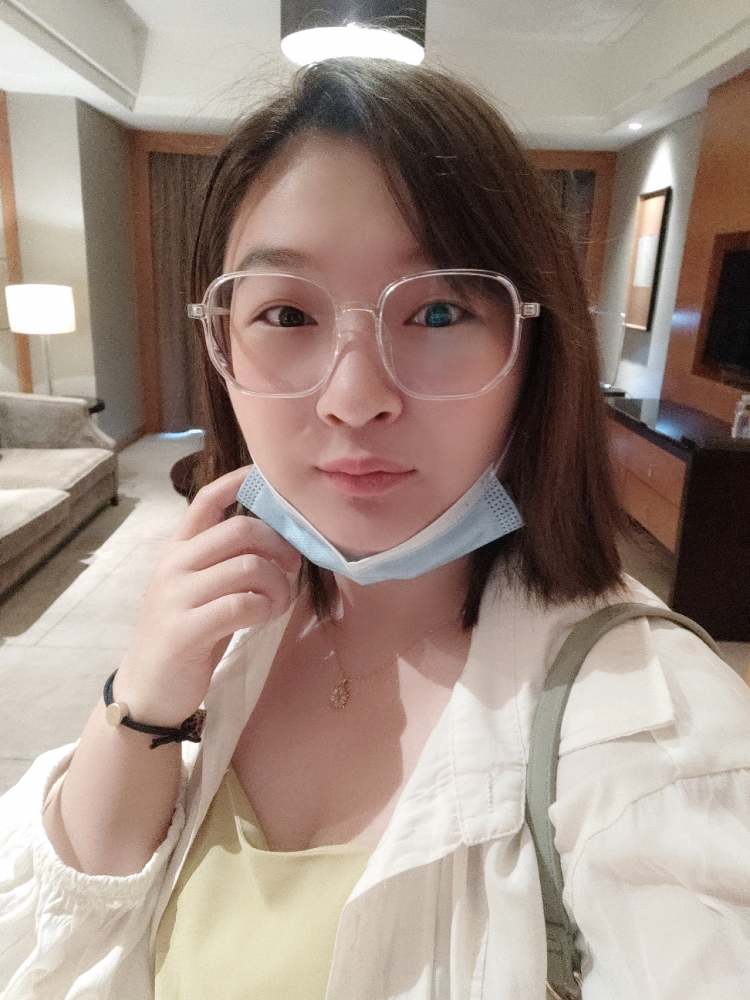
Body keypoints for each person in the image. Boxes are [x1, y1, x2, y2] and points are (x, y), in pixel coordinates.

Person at [2, 58, 750, 1000]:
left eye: (437, 312)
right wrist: (145, 697)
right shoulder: (241, 618)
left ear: (535, 346)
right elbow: (66, 928)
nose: (355, 398)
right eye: (285, 313)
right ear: (222, 344)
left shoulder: (658, 740)